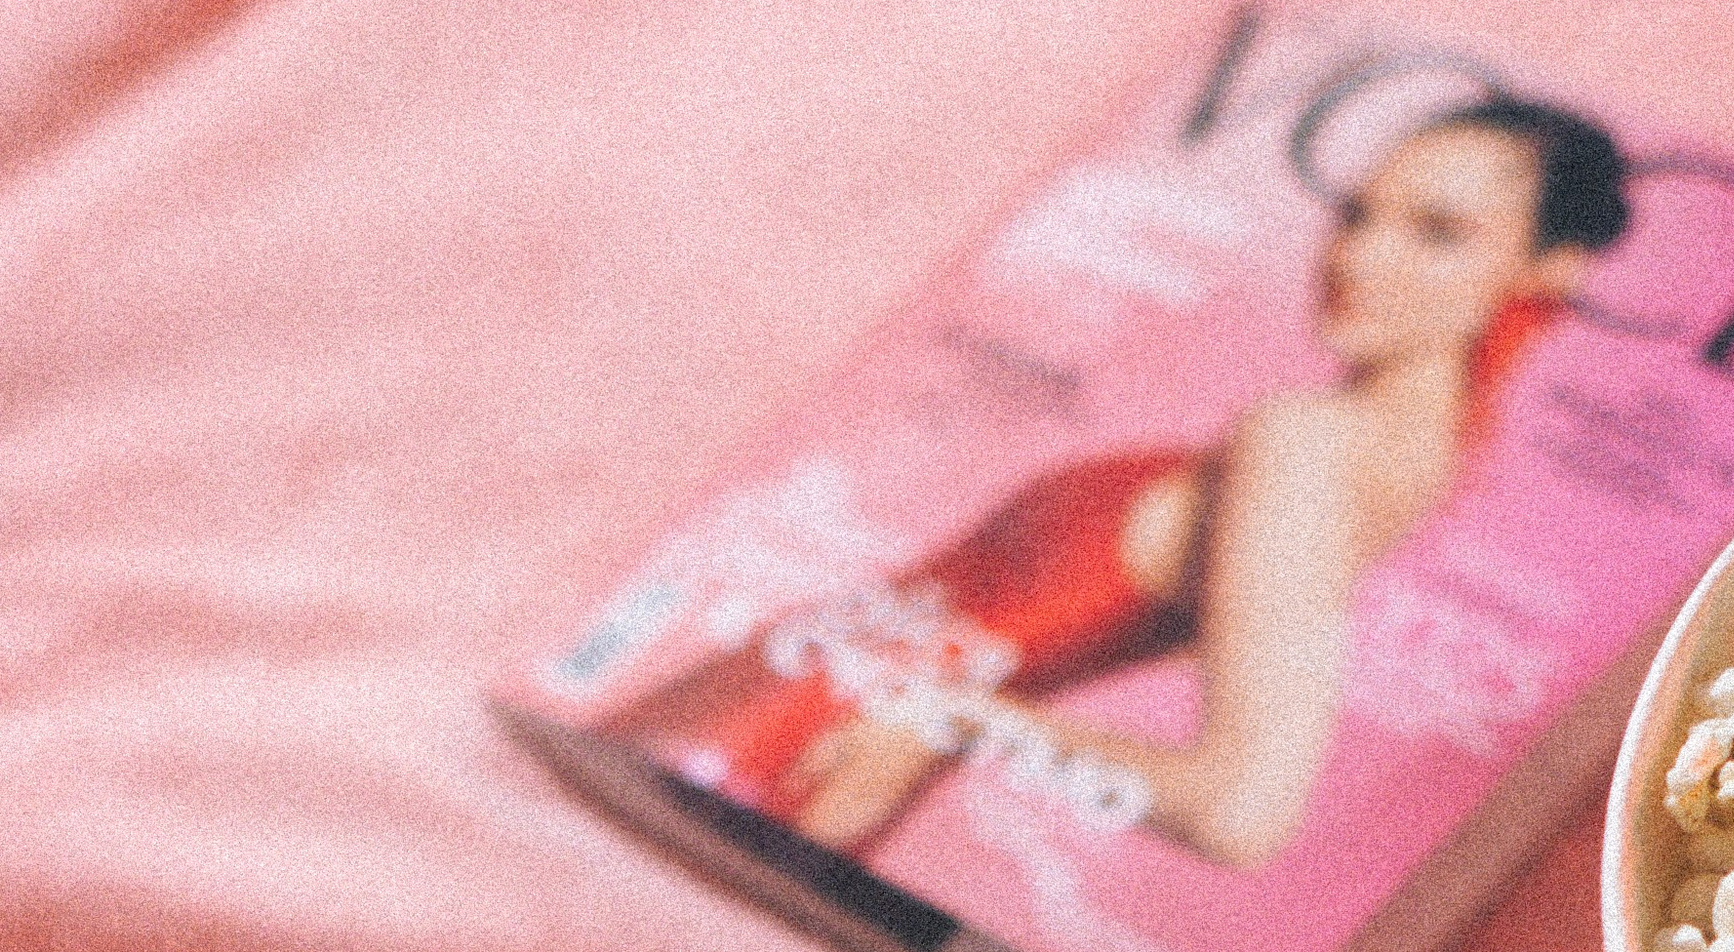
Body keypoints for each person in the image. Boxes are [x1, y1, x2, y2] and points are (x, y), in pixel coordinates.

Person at [620, 93, 1630, 869]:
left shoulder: (1310, 442)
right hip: (778, 710)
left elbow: (1240, 809)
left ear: (1552, 270)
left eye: (1438, 233)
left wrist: (953, 713)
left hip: (794, 739)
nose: (1358, 256)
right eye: (1360, 214)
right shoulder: (1417, 461)